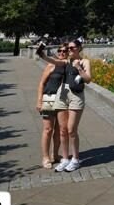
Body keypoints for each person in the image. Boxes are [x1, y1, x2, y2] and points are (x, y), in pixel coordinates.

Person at [37, 40, 92, 172]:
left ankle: (75, 159)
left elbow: (88, 79)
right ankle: (65, 158)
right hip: (61, 95)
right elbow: (53, 61)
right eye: (68, 48)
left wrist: (78, 67)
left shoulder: (85, 62)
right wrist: (42, 54)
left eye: (71, 48)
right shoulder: (66, 62)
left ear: (79, 48)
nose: (69, 50)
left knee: (71, 128)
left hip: (75, 95)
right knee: (61, 130)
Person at [36, 44, 67, 169]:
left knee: (60, 130)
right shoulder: (52, 65)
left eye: (65, 51)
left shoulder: (68, 66)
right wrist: (39, 100)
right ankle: (45, 157)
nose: (62, 53)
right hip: (49, 98)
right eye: (60, 51)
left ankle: (55, 154)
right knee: (48, 129)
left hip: (63, 99)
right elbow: (42, 83)